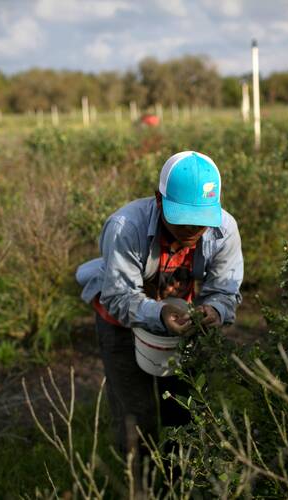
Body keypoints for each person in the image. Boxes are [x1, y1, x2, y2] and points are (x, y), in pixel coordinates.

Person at [75, 150, 244, 459]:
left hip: (180, 319)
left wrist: (214, 310)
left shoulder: (224, 230)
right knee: (136, 414)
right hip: (121, 321)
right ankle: (139, 481)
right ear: (158, 199)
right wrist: (160, 311)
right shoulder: (125, 227)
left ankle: (179, 480)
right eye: (183, 219)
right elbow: (119, 296)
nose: (193, 229)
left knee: (184, 408)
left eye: (201, 220)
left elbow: (224, 290)